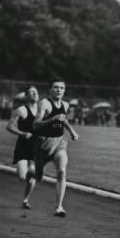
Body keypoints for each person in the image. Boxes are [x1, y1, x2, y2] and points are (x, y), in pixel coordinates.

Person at [33, 79, 79, 217]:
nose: (59, 90)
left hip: (59, 142)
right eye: (56, 87)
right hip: (43, 144)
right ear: (50, 89)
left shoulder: (65, 104)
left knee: (62, 171)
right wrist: (52, 120)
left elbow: (63, 119)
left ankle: (59, 207)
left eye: (61, 88)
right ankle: (35, 172)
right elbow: (35, 124)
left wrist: (72, 132)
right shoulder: (44, 103)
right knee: (39, 175)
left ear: (64, 90)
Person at [6, 85, 40, 209]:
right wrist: (22, 133)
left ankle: (25, 200)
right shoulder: (21, 110)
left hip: (36, 146)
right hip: (23, 146)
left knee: (32, 172)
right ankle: (25, 170)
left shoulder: (43, 110)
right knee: (22, 176)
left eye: (35, 92)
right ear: (26, 96)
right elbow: (9, 127)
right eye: (30, 92)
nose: (34, 94)